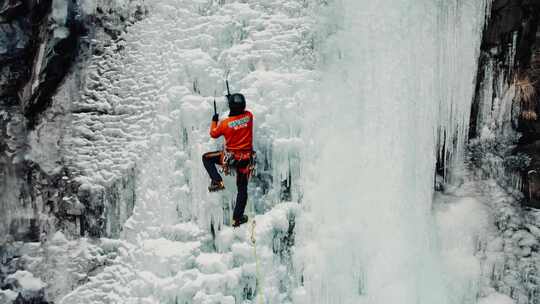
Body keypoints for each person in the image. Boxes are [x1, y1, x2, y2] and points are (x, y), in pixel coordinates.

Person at [202, 93, 254, 227]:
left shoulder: (225, 124)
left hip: (230, 158)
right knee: (242, 190)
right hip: (246, 160)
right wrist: (232, 100)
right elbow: (239, 117)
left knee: (206, 158)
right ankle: (237, 218)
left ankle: (217, 181)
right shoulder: (249, 117)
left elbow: (213, 133)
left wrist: (214, 120)